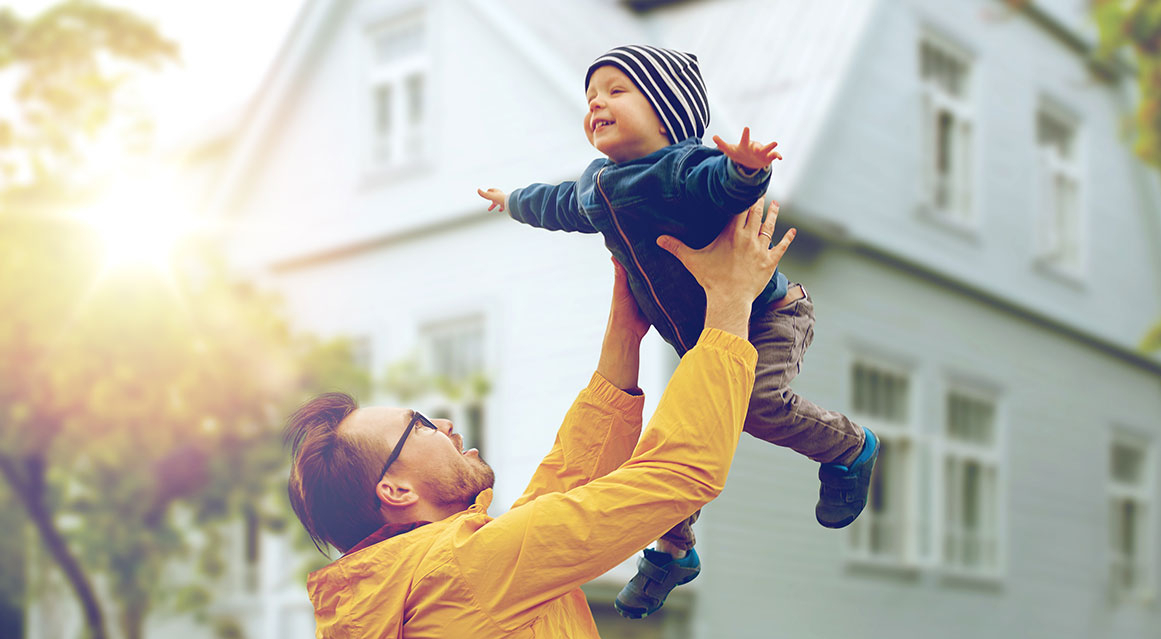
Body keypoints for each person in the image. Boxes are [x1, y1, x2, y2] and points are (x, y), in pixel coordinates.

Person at [476, 44, 879, 618]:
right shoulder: (595, 185)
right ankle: (672, 553)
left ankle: (849, 447)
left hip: (768, 314)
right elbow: (556, 202)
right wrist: (514, 200)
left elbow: (721, 184)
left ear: (667, 112)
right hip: (703, 340)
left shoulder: (681, 167)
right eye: (590, 97)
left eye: (616, 91)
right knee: (675, 438)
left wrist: (745, 169)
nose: (597, 104)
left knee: (756, 406)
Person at [286, 200, 794, 638]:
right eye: (418, 423)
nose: (442, 424)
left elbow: (560, 494)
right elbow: (679, 473)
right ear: (395, 491)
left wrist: (624, 328)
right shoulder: (463, 571)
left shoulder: (407, 589)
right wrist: (730, 302)